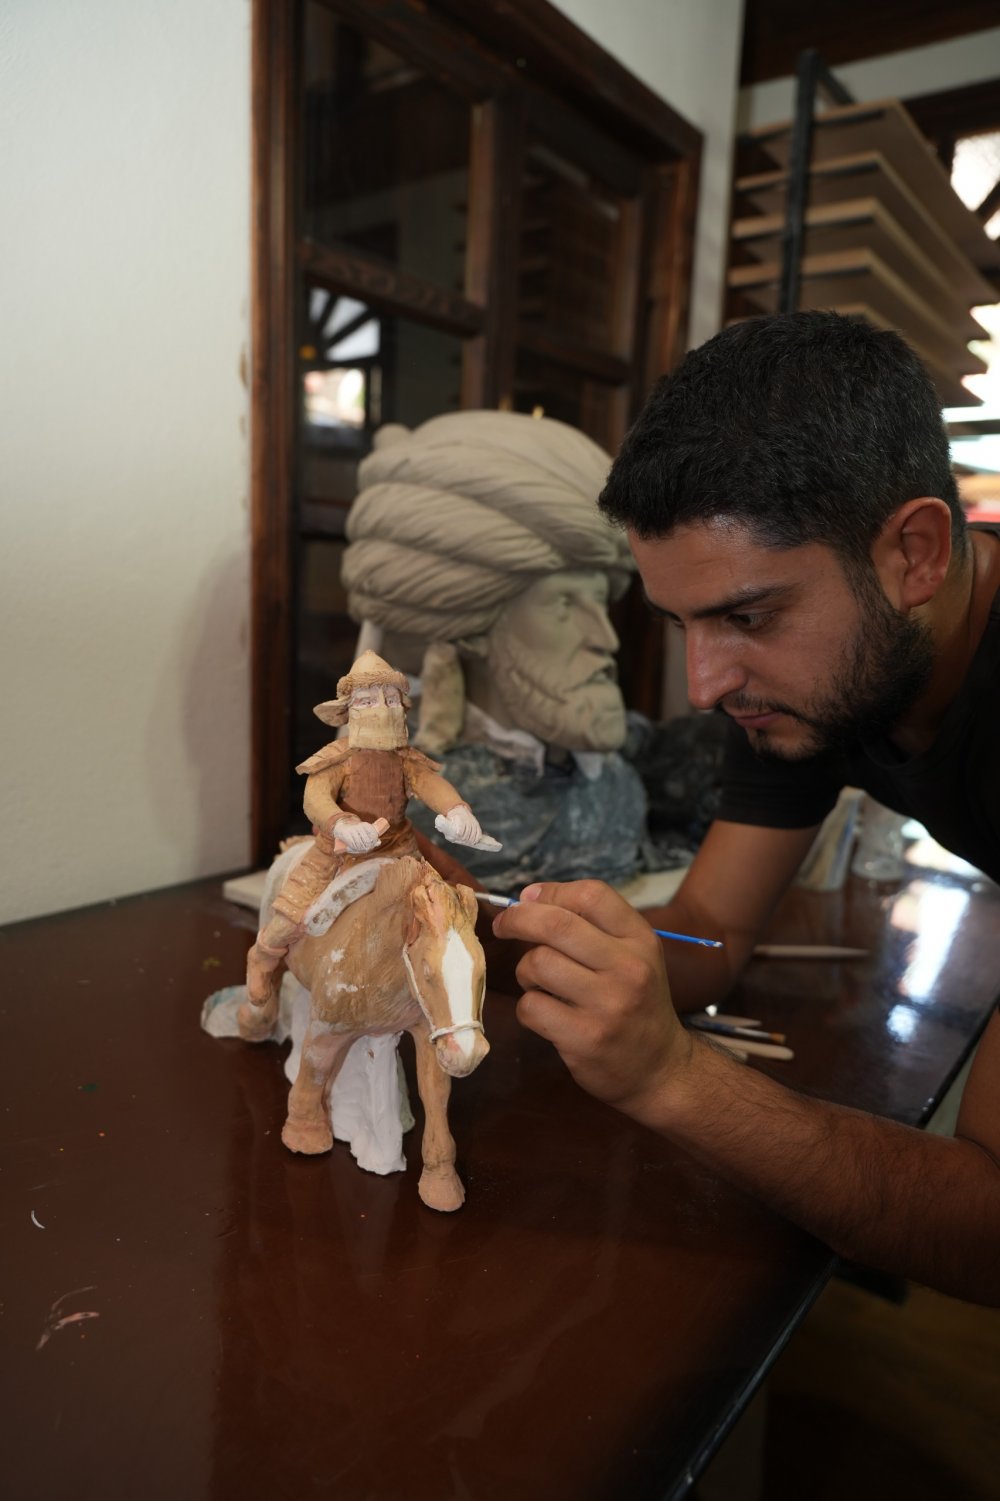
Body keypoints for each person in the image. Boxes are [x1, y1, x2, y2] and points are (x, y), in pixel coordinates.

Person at [490, 311, 1000, 1306]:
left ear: (916, 554)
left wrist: (671, 1076)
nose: (704, 684)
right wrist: (480, 939)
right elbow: (708, 931)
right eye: (682, 623)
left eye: (746, 615)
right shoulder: (804, 681)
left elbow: (990, 1225)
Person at [243, 649, 494, 1015]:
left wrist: (456, 810)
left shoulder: (407, 760)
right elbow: (315, 798)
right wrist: (342, 823)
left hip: (399, 851)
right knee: (293, 910)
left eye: (390, 699)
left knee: (436, 907)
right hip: (338, 851)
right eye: (368, 700)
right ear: (349, 711)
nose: (382, 708)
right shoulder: (337, 758)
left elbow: (431, 784)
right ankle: (262, 959)